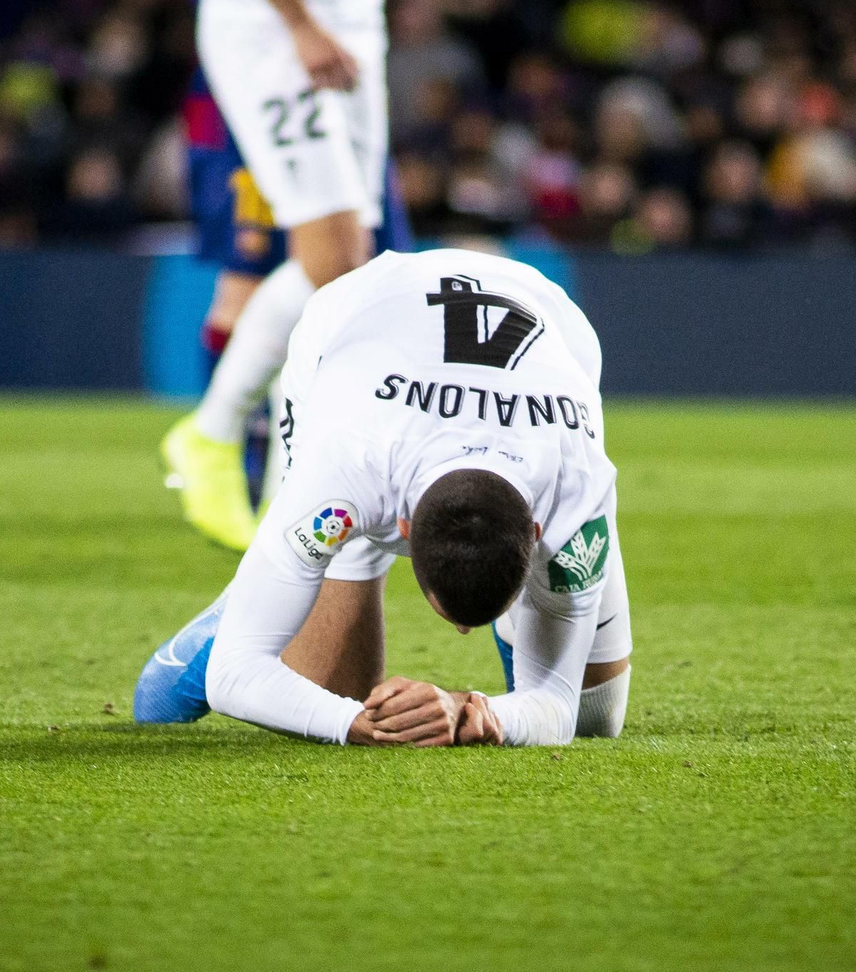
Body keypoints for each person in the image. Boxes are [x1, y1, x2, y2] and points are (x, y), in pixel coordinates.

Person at [135, 248, 631, 747]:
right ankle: (246, 597)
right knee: (331, 690)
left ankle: (279, 576)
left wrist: (474, 713)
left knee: (598, 716)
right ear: (404, 528)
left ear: (538, 530)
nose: (462, 634)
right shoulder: (343, 467)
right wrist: (358, 725)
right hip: (354, 329)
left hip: (547, 321)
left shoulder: (577, 487)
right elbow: (234, 677)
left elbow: (563, 710)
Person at [162, 0, 397, 551]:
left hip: (352, 5)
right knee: (332, 255)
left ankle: (275, 492)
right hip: (275, 24)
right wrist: (298, 22)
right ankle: (213, 432)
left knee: (353, 260)